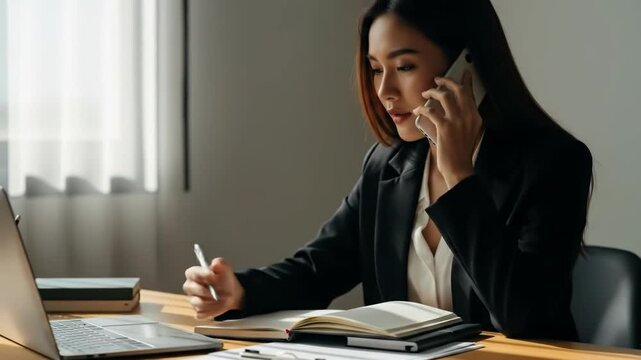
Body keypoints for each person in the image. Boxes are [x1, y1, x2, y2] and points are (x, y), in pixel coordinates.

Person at [183, 0, 592, 341]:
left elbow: (525, 319)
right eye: (377, 68)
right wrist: (239, 291)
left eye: (405, 67)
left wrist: (459, 177)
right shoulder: (389, 165)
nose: (384, 92)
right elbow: (319, 268)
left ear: (467, 67)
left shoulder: (554, 162)